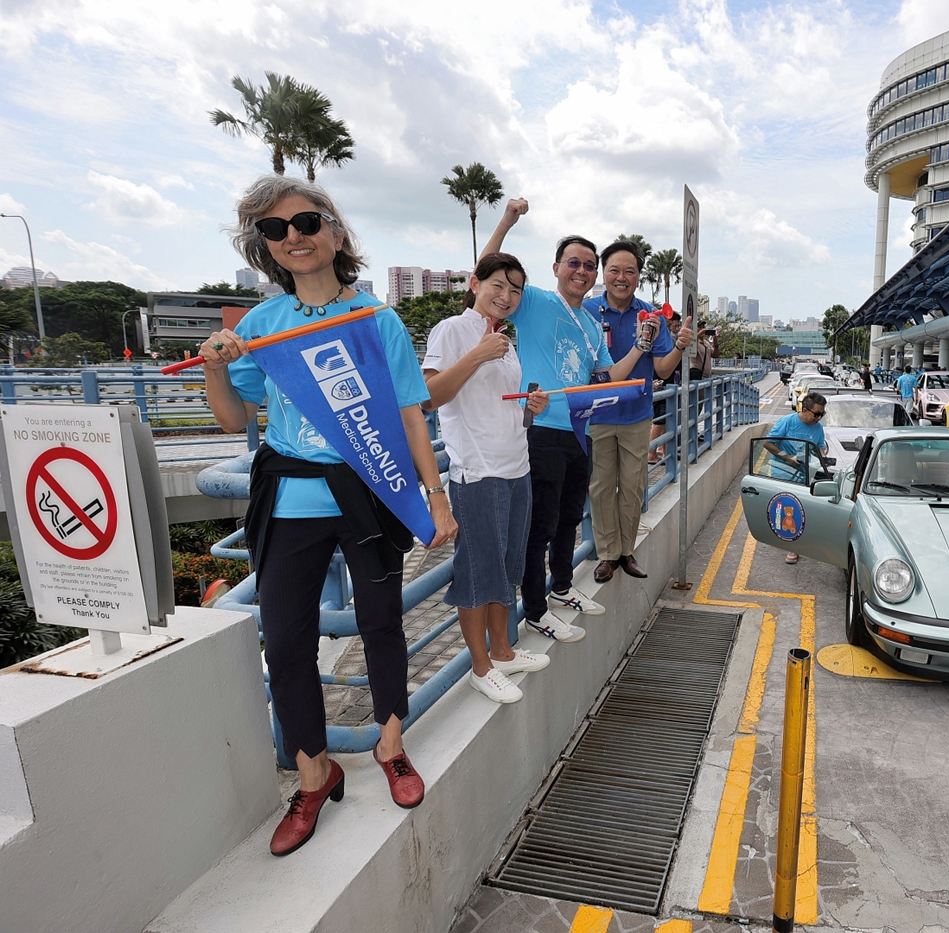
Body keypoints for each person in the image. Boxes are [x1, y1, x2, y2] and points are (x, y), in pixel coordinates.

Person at [202, 175, 457, 855]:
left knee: (379, 624)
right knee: (284, 639)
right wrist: (214, 369)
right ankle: (314, 772)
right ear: (266, 248)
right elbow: (236, 420)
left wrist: (435, 496)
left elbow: (408, 413)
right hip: (289, 499)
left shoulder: (376, 319)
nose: (294, 237)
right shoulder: (259, 326)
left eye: (307, 222)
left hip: (368, 490)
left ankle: (391, 742)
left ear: (335, 233)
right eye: (276, 231)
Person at [479, 199, 656, 641]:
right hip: (540, 431)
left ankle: (561, 588)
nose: (583, 271)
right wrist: (506, 221)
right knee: (539, 526)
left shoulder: (592, 324)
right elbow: (486, 271)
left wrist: (640, 346)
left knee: (567, 519)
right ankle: (535, 610)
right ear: (556, 267)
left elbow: (608, 376)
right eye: (574, 263)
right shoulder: (534, 300)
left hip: (580, 433)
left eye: (589, 266)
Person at [422, 253, 552, 705]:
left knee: (507, 566)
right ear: (475, 282)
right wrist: (477, 354)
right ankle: (480, 667)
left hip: (517, 466)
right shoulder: (452, 331)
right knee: (477, 571)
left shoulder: (506, 339)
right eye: (499, 284)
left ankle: (503, 650)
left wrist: (528, 410)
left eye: (515, 290)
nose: (507, 296)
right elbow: (429, 398)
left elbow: (499, 408)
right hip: (477, 473)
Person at [582, 241, 693, 583]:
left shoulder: (652, 316)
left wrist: (679, 346)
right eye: (614, 270)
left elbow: (661, 369)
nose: (621, 277)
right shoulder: (586, 311)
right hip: (597, 415)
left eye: (629, 271)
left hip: (636, 416)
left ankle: (625, 551)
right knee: (601, 488)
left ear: (638, 276)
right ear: (604, 273)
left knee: (632, 487)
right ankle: (606, 555)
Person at [762, 393, 828, 565]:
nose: (819, 418)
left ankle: (792, 541)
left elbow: (820, 448)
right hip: (783, 471)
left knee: (798, 509)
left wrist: (822, 456)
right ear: (805, 410)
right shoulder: (787, 422)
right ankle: (793, 546)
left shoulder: (818, 428)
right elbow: (768, 443)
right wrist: (787, 457)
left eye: (822, 414)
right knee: (789, 508)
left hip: (805, 474)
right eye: (817, 414)